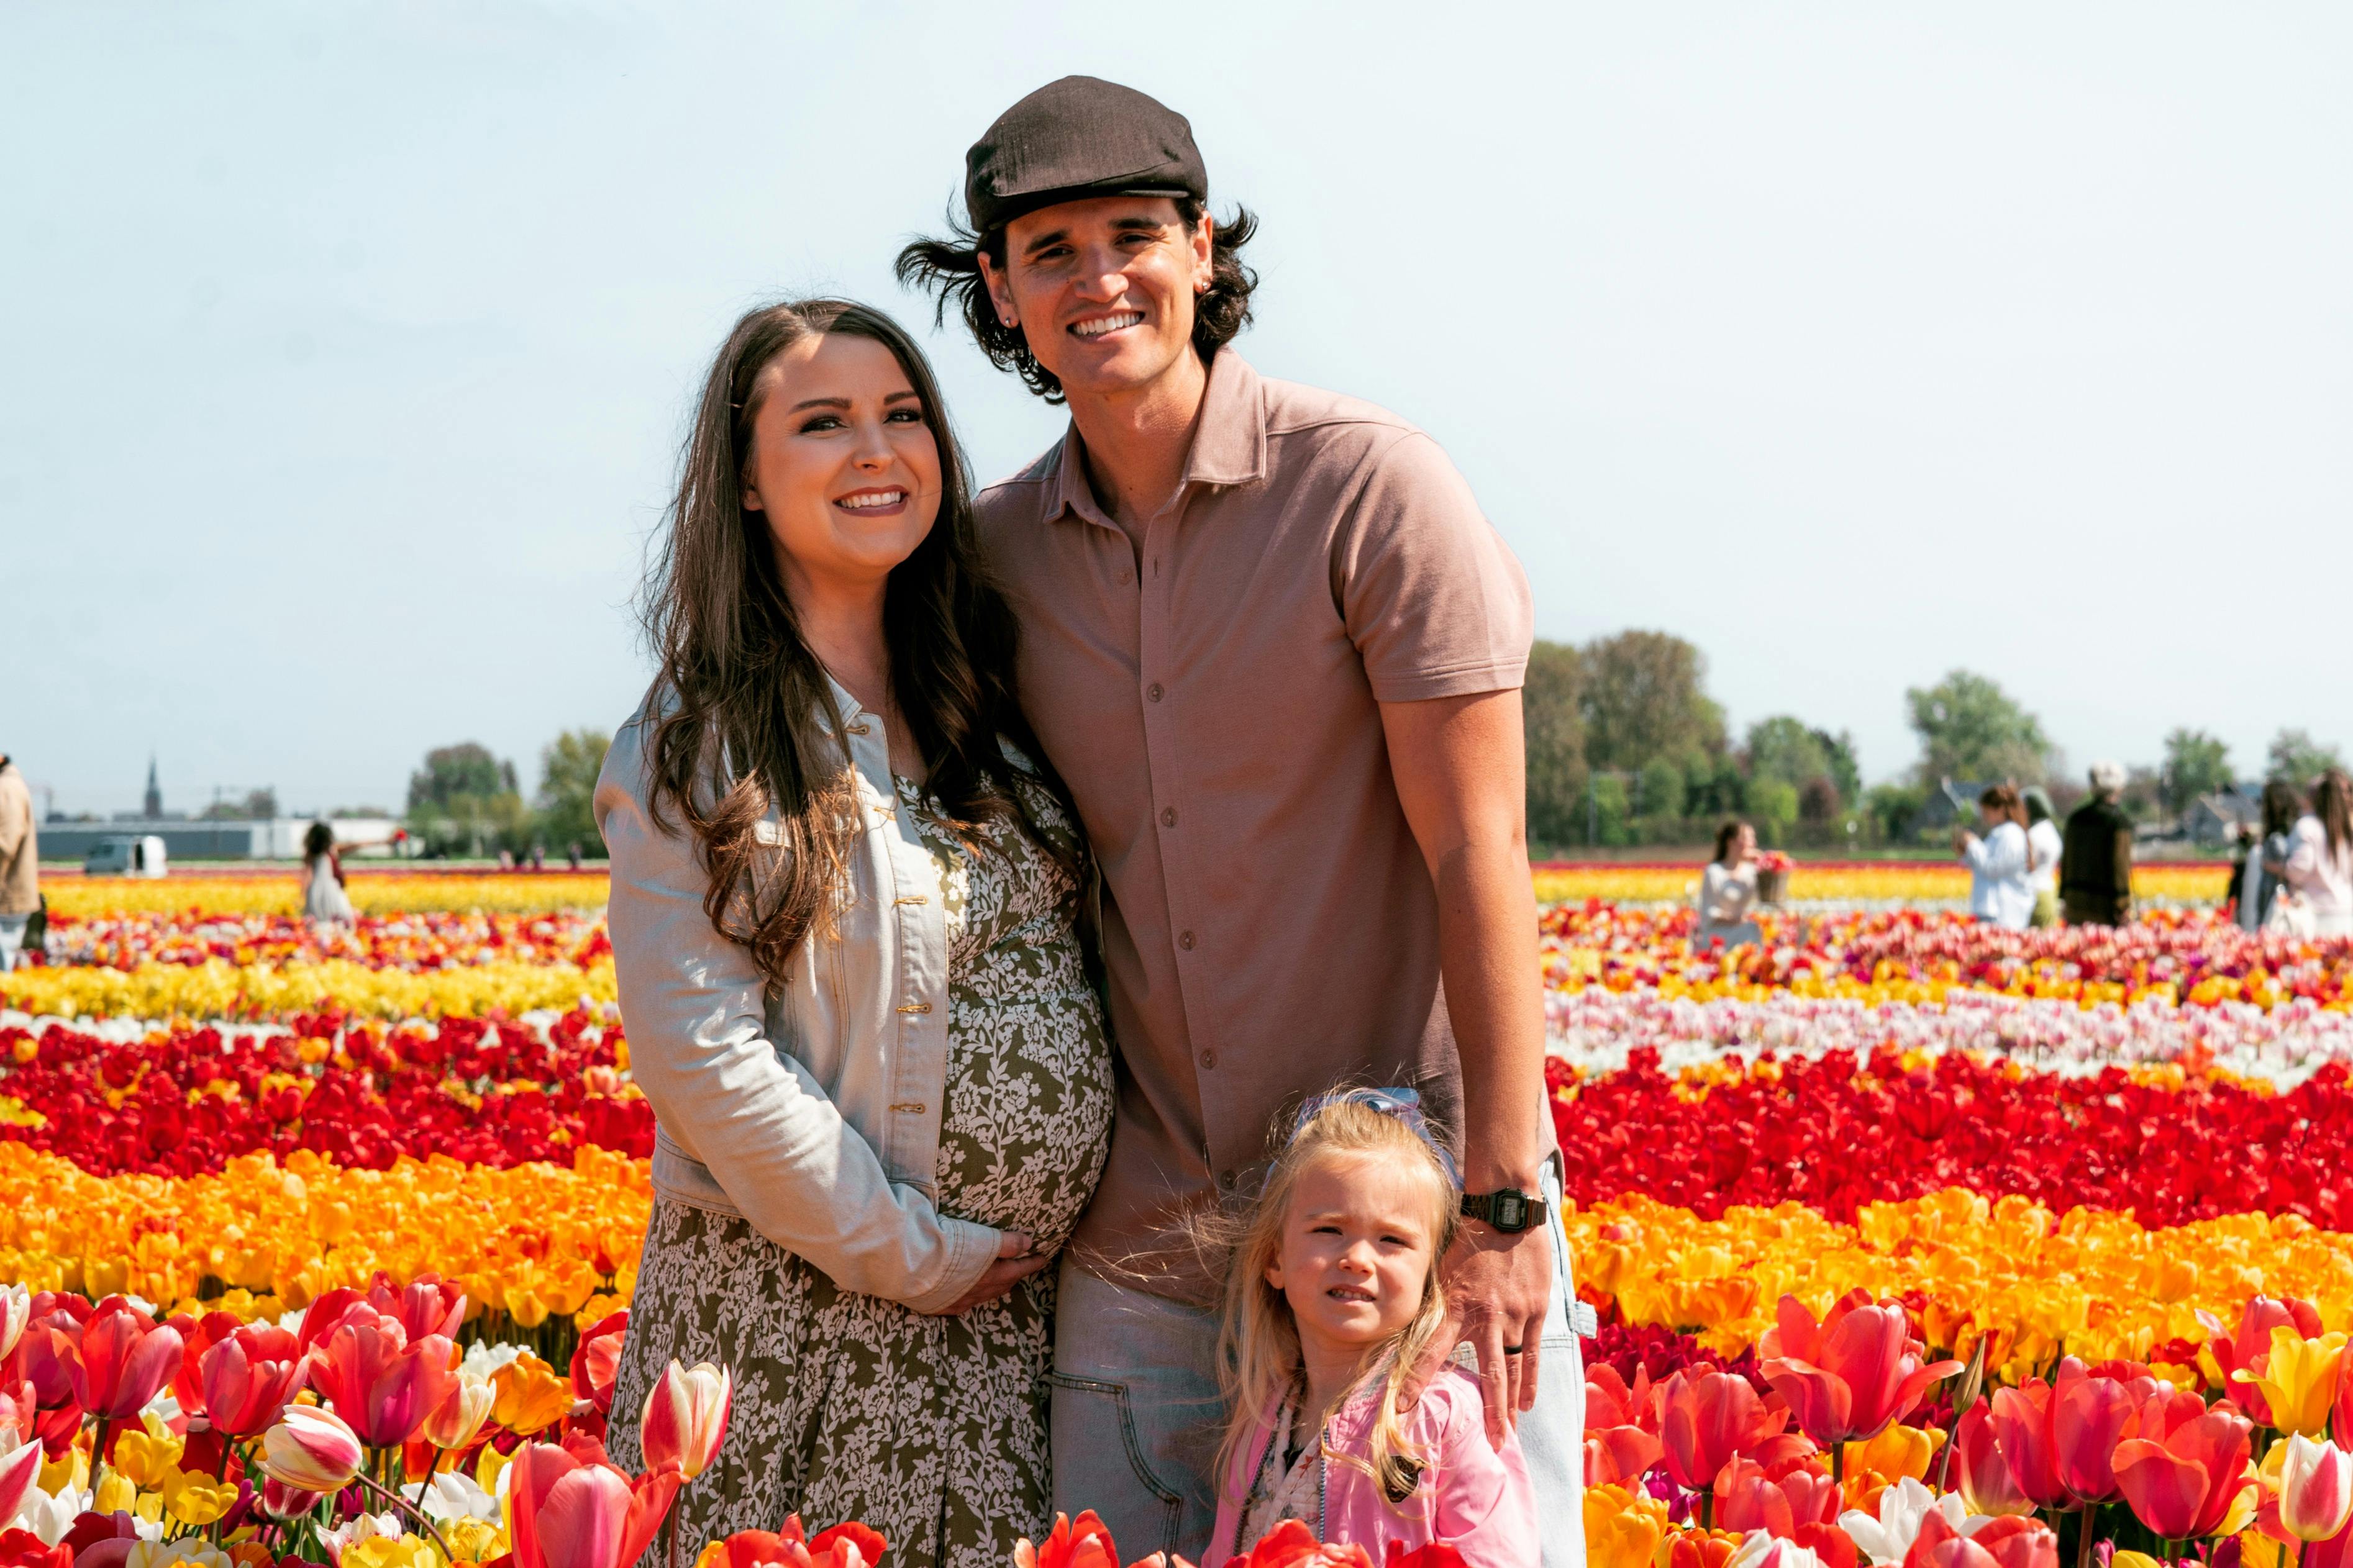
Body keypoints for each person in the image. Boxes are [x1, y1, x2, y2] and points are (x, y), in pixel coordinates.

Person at [899, 76, 1578, 1565]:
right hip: (1143, 1247)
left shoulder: (1371, 493)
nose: (1098, 280)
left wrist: (1506, 1202)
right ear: (1001, 295)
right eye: (1048, 251)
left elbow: (1481, 851)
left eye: (1134, 233)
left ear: (1205, 248)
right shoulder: (993, 558)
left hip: (1398, 1233)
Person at [593, 299, 1113, 1568]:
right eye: (822, 423)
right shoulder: (694, 738)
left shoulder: (985, 685)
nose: (876, 449)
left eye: (902, 415)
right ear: (749, 481)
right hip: (805, 1325)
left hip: (1002, 1339)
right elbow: (697, 1051)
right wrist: (914, 1252)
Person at [1204, 1091, 1538, 1568]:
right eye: (1328, 1230)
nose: (1357, 1259)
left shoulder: (1447, 1418)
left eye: (1392, 1240)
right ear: (1275, 1257)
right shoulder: (1261, 1411)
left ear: (1435, 1271)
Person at [2060, 762, 2136, 927]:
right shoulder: (2118, 821)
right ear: (2119, 788)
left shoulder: (2076, 818)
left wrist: (2064, 896)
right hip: (2104, 908)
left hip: (2075, 903)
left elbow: (2067, 861)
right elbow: (2120, 866)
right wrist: (2123, 904)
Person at [2281, 769, 2353, 937]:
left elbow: (2300, 867)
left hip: (2317, 912)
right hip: (2347, 909)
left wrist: (2280, 868)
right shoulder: (2348, 828)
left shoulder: (2308, 826)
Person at [1957, 785, 2034, 931]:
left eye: (1986, 811)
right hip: (1992, 909)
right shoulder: (2000, 833)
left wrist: (1973, 844)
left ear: (2001, 809)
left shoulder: (2010, 834)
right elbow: (1983, 864)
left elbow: (1994, 869)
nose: (1983, 816)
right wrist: (1966, 852)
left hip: (2002, 912)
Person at [2242, 780, 2306, 933]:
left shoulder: (2276, 838)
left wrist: (2267, 865)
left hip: (2275, 895)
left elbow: (2285, 865)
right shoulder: (2297, 829)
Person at [1695, 820, 1763, 949]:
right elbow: (1708, 913)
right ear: (1731, 842)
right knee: (1750, 931)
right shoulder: (1714, 872)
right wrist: (1736, 919)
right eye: (1748, 838)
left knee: (1752, 929)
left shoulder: (1750, 871)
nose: (1754, 843)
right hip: (1717, 933)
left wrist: (1763, 863)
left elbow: (1767, 897)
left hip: (1741, 928)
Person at [0, 754, 37, 973]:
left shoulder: (6, 788)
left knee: (3, 960)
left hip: (7, 895)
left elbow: (5, 845)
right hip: (8, 895)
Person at [299, 820, 356, 924]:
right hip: (331, 887)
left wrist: (302, 894)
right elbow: (355, 845)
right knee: (338, 917)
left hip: (315, 888)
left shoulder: (311, 854)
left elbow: (307, 874)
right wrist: (380, 842)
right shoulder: (332, 850)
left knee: (318, 919)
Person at [2022, 787, 2063, 929]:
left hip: (2035, 893)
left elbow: (2027, 864)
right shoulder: (2050, 830)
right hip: (2049, 890)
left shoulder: (2035, 835)